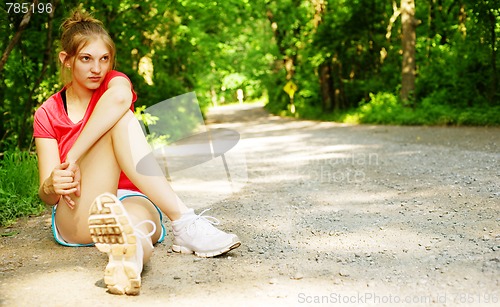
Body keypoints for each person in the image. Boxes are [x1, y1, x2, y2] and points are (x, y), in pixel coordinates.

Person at [33, 9, 241, 295]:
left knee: (136, 228)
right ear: (66, 60)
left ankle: (128, 263)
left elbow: (120, 97)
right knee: (122, 120)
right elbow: (47, 196)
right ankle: (184, 221)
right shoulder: (48, 112)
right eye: (86, 59)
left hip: (128, 198)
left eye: (104, 59)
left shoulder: (114, 84)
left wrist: (71, 157)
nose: (97, 68)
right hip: (80, 212)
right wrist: (52, 182)